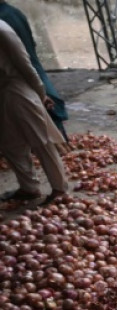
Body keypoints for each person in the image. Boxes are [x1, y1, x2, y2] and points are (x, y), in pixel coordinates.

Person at [0, 19, 69, 205]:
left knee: (41, 139)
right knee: (9, 144)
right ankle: (29, 187)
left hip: (18, 89)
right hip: (3, 93)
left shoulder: (3, 29)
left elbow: (25, 64)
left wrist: (40, 93)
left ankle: (59, 188)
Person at [0, 0, 68, 139]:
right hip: (30, 62)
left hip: (21, 70)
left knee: (41, 104)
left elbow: (17, 56)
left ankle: (56, 142)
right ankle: (61, 140)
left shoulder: (3, 20)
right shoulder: (14, 12)